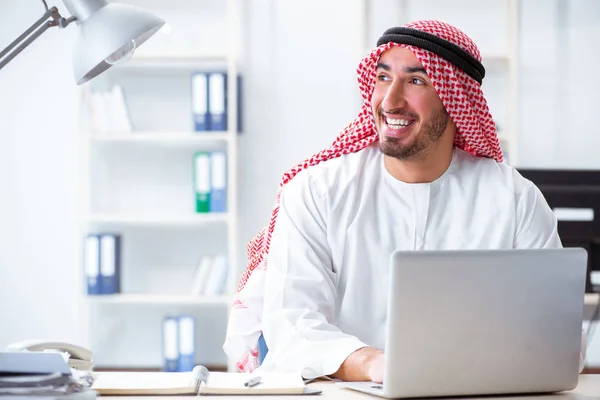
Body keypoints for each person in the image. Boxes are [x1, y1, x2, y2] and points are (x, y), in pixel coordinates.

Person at [223, 19, 586, 381]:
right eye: (383, 78)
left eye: (416, 80)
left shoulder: (514, 200)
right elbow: (291, 327)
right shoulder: (316, 192)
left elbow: (559, 337)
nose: (390, 100)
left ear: (454, 99)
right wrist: (373, 364)